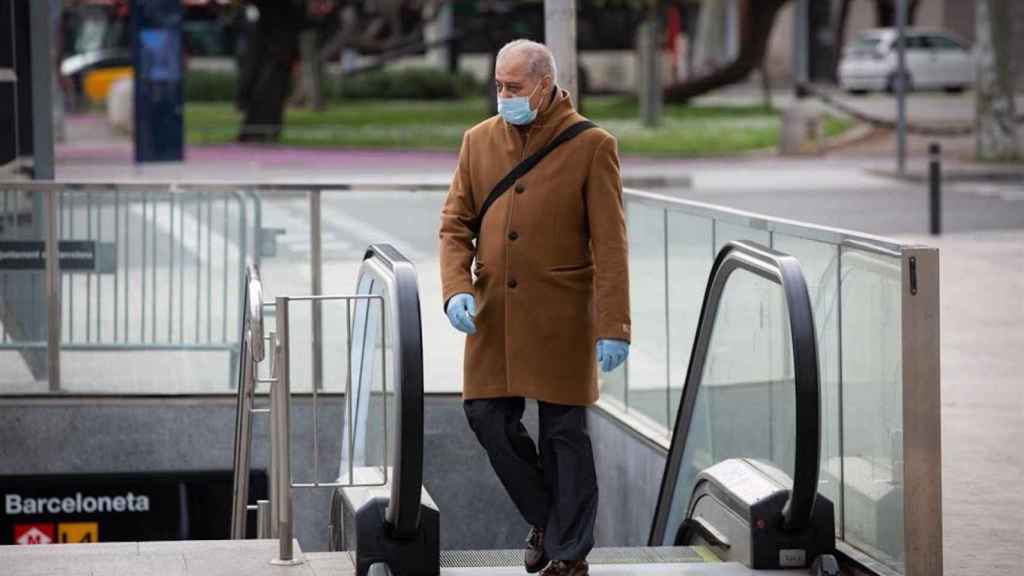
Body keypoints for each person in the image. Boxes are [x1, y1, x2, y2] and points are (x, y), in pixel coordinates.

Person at [438, 39, 630, 576]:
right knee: (485, 417)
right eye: (498, 85)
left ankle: (569, 556)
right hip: (493, 311)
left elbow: (611, 245)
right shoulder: (477, 142)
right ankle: (549, 519)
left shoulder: (593, 145)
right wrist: (456, 288)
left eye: (514, 87)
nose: (503, 96)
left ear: (544, 86)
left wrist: (614, 324)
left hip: (562, 316)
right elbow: (455, 225)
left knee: (564, 433)